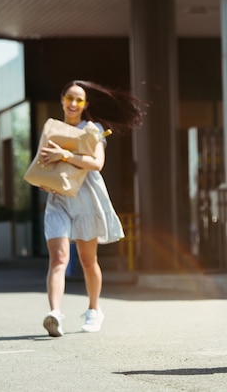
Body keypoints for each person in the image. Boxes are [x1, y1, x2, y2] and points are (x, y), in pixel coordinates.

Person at [40, 80, 142, 337]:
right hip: (58, 201)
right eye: (69, 98)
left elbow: (96, 163)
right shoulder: (53, 128)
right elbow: (41, 165)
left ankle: (94, 309)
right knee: (59, 258)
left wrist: (64, 156)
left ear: (85, 105)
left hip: (87, 200)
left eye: (79, 100)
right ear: (62, 99)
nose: (73, 104)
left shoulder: (92, 129)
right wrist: (44, 182)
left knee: (88, 260)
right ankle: (55, 313)